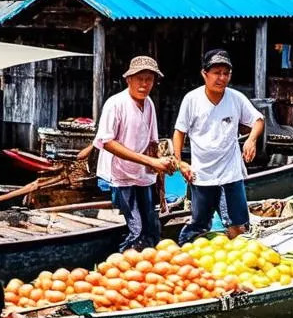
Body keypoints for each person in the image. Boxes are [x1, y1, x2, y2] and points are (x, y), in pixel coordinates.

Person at [173, 49, 265, 244]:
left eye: (225, 73)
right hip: (202, 174)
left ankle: (238, 264)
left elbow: (258, 120)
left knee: (238, 225)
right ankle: (182, 252)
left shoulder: (236, 98)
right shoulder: (192, 99)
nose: (221, 78)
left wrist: (251, 139)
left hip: (231, 173)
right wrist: (180, 162)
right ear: (204, 74)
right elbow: (179, 132)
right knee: (199, 224)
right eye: (216, 72)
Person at [93, 56, 176, 253]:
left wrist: (163, 164)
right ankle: (123, 266)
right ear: (128, 79)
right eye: (140, 79)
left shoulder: (149, 105)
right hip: (120, 176)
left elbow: (152, 143)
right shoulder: (116, 104)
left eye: (149, 79)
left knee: (151, 230)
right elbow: (107, 142)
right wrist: (149, 160)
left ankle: (145, 269)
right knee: (134, 231)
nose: (145, 84)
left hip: (142, 177)